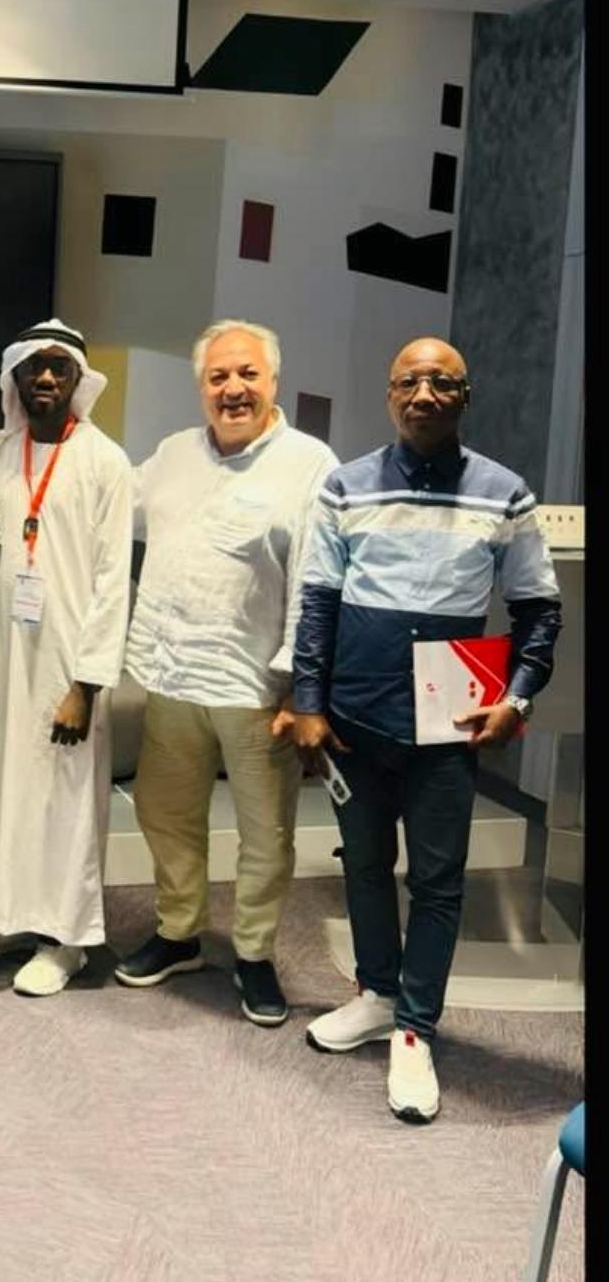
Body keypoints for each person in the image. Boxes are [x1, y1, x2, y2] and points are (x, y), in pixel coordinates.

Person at [288, 337, 561, 1122]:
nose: (424, 393)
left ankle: (415, 1026)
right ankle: (377, 994)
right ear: (390, 393)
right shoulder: (346, 486)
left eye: (442, 381)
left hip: (449, 728)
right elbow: (318, 603)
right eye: (409, 380)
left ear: (464, 396)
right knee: (365, 864)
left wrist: (519, 699)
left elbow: (539, 610)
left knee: (438, 881)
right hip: (356, 719)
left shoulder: (504, 493)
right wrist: (308, 702)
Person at [116, 320, 338, 1026]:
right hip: (172, 673)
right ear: (201, 387)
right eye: (218, 377)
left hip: (256, 689)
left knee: (265, 834)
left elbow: (316, 583)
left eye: (247, 374)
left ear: (273, 381)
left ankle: (253, 952)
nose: (233, 388)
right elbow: (110, 504)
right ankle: (178, 931)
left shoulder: (310, 463)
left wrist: (303, 689)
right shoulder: (174, 453)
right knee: (164, 812)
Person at [0, 318, 133, 996]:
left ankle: (67, 940)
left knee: (63, 798)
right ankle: (9, 917)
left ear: (79, 380)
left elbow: (114, 581)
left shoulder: (105, 460)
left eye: (61, 367)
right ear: (16, 377)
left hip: (67, 659)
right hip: (6, 653)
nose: (48, 377)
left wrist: (85, 686)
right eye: (36, 366)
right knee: (5, 786)